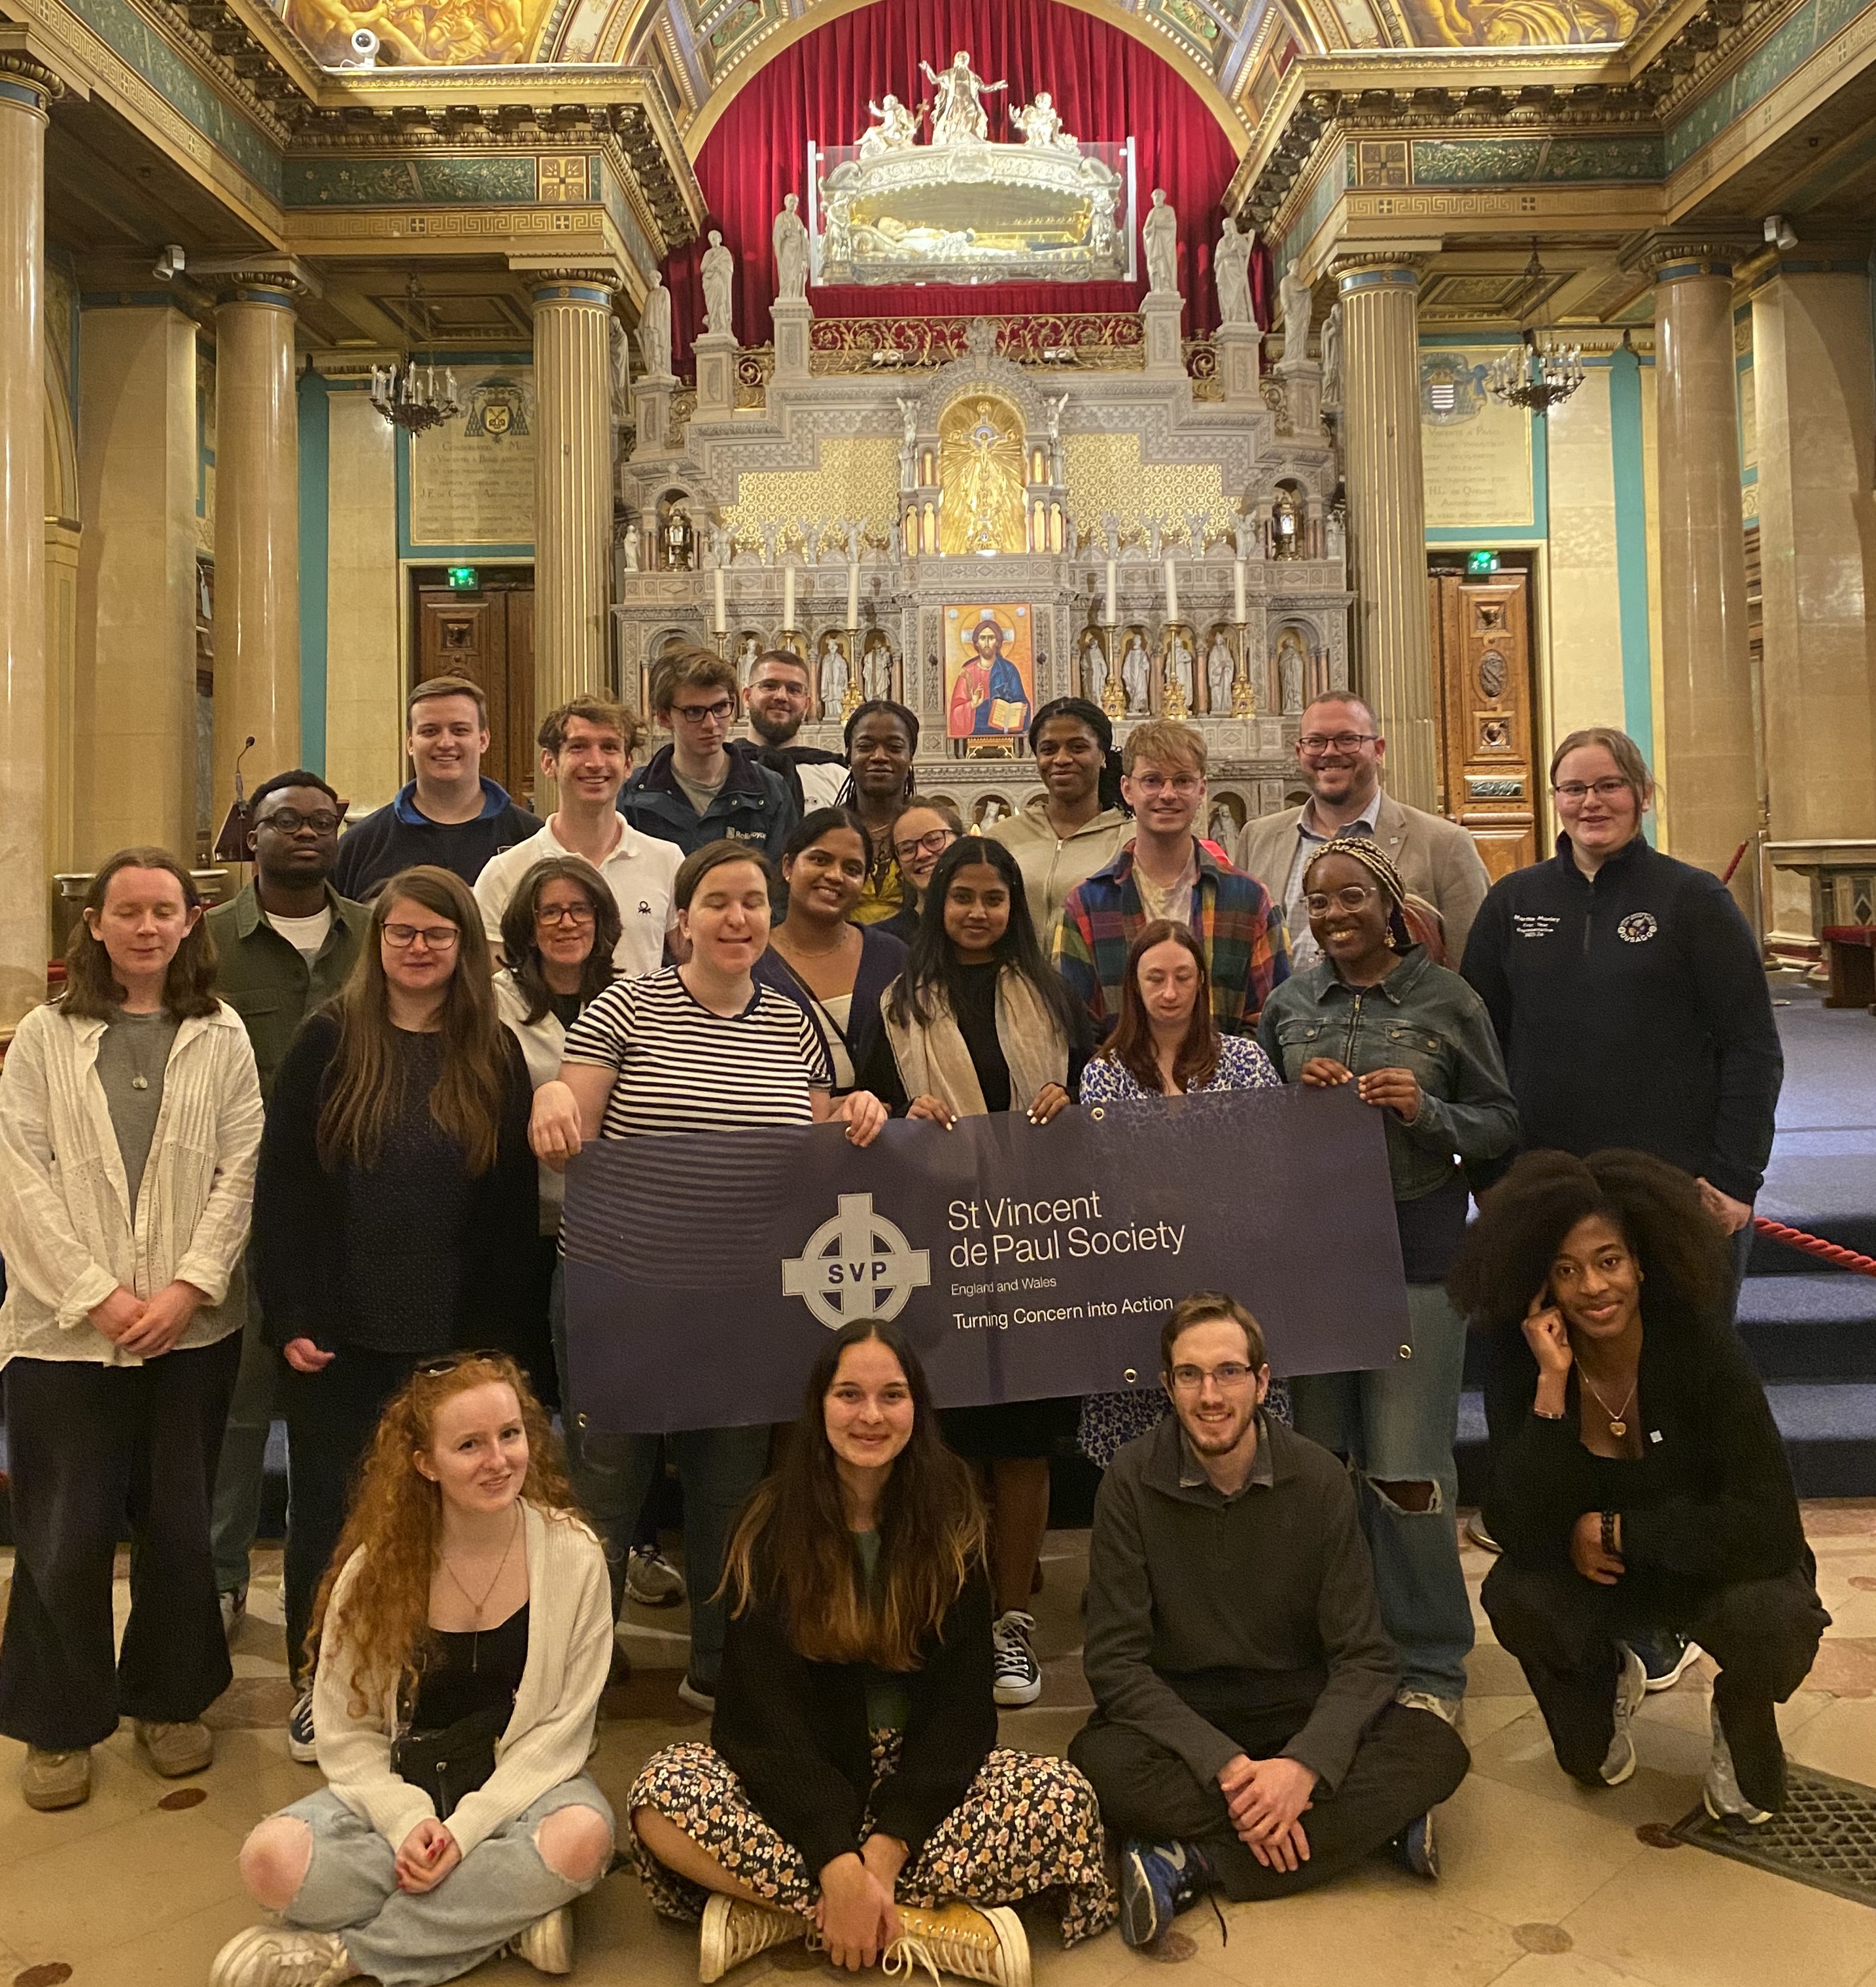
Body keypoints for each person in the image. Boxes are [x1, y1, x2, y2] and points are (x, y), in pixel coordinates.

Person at [627, 1321, 1115, 1985]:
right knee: (662, 1792)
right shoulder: (769, 1525)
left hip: (918, 1783)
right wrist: (833, 1856)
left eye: (891, 1394)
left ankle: (798, 1912)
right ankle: (908, 1923)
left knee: (1066, 1800)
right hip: (804, 1774)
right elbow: (760, 1723)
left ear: (917, 1407)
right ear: (819, 1406)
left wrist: (882, 1853)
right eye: (849, 1393)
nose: (870, 1414)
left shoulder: (953, 1522)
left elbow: (962, 1719)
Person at [527, 841, 886, 1708]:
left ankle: (722, 1671)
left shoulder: (788, 1020)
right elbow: (574, 1109)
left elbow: (809, 1130)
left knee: (731, 1493)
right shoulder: (626, 1006)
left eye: (753, 902)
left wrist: (860, 1109)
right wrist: (546, 1102)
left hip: (736, 1304)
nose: (738, 918)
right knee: (606, 1491)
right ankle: (578, 1676)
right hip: (624, 1292)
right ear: (682, 920)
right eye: (718, 901)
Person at [1070, 1292, 1470, 1946]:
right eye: (1191, 1375)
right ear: (1168, 1386)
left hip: (1296, 1703)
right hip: (1187, 1716)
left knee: (1437, 1748)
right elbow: (1115, 1663)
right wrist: (1231, 1768)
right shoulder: (1129, 1480)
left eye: (1229, 1371)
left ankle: (1194, 1858)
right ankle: (1370, 1828)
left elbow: (1366, 1655)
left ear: (1261, 1381)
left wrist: (1303, 1766)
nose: (1210, 1395)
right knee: (1096, 1760)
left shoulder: (1316, 1477)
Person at [214, 1355, 616, 1987]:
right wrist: (408, 1823)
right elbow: (347, 1738)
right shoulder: (376, 1571)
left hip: (525, 1791)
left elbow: (564, 1731)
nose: (498, 1460)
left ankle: (349, 1957)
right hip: (408, 1789)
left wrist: (467, 1831)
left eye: (510, 1436)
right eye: (469, 1445)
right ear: (426, 1463)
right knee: (271, 1861)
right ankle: (501, 1920)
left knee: (583, 1838)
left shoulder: (574, 1555)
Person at [256, 865, 538, 1764]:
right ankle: (322, 1685)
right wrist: (294, 1308)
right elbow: (288, 1190)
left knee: (442, 1520)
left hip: (452, 1335)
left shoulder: (491, 1052)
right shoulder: (329, 1041)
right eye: (402, 934)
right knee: (335, 1517)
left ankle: (428, 1680)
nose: (419, 949)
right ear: (377, 945)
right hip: (340, 1330)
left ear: (465, 949)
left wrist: (496, 1349)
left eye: (438, 935)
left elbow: (509, 1208)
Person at [0, 849, 264, 1811]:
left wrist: (188, 1287)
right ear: (98, 925)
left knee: (181, 1528)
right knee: (63, 1533)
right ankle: (58, 1720)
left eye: (164, 910)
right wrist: (97, 1294)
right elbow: (18, 1180)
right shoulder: (43, 1035)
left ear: (190, 921)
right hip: (63, 1335)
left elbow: (241, 1170)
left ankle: (170, 1698)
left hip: (189, 1333)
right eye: (129, 911)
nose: (147, 927)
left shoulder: (220, 1032)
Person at [1451, 1150, 1828, 1822]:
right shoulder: (1527, 1362)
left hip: (1709, 1568)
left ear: (1642, 1263)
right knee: (1518, 1596)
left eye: (1609, 1260)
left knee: (1776, 1614)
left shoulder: (1704, 1352)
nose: (1594, 1286)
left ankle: (1740, 1710)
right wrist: (1549, 1388)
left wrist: (1623, 1528)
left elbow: (1771, 1526)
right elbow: (1511, 1523)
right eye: (1567, 1270)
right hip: (1597, 1579)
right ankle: (1603, 1681)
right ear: (1543, 1286)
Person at [1257, 838, 1518, 1719]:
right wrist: (1302, 1101)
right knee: (1324, 1470)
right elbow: (1259, 1121)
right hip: (1318, 1259)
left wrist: (1427, 1109)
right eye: (1317, 902)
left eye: (1349, 899)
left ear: (1391, 903)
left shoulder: (1448, 1001)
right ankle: (1344, 1644)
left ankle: (1429, 1662)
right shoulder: (1291, 1003)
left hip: (1417, 1249)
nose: (1332, 916)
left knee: (1407, 1469)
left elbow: (1498, 1124)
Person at [857, 835, 1092, 1709]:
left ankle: (1012, 1616)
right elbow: (864, 1109)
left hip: (1035, 1232)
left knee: (1024, 1436)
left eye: (994, 898)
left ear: (1014, 906)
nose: (979, 912)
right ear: (937, 902)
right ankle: (946, 1603)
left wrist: (1071, 1102)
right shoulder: (898, 1000)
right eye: (963, 897)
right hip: (935, 1232)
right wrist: (897, 1109)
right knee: (948, 1428)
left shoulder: (1055, 994)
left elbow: (1094, 1091)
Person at [1461, 725, 1782, 1268]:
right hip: (1545, 1182)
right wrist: (1490, 1175)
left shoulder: (1694, 899)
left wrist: (1735, 1180)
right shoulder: (1513, 901)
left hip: (1675, 1183)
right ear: (1557, 800)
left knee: (1681, 1351)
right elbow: (1476, 1048)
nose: (1591, 802)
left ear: (1643, 795)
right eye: (1573, 789)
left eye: (1609, 785)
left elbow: (1751, 1046)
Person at [205, 772, 372, 1642]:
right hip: (234, 1210)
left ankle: (344, 1586)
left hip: (353, 1217)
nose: (304, 832)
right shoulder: (210, 944)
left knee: (337, 1413)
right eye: (283, 819)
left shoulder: (378, 935)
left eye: (321, 819)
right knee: (237, 1409)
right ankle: (222, 1579)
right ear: (251, 832)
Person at [495, 857, 685, 1612]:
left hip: (618, 1236)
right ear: (526, 925)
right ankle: (535, 1553)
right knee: (541, 1402)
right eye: (550, 910)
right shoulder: (497, 1002)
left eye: (580, 908)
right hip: (525, 1223)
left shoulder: (639, 997)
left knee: (611, 1412)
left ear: (605, 921)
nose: (566, 922)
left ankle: (624, 1547)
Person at [1077, 923, 1285, 1471]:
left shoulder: (1246, 1062)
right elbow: (1106, 1187)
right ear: (1134, 988)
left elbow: (1267, 1172)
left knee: (1235, 1446)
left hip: (1235, 1281)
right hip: (1139, 1287)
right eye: (1156, 978)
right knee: (1140, 1467)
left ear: (1201, 984)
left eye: (1183, 977)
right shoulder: (1104, 1073)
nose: (1170, 993)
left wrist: (1191, 1201)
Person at [1056, 719, 1290, 1039]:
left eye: (1182, 781)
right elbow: (1077, 1026)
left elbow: (1271, 1017)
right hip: (1121, 1085)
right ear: (1127, 789)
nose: (1168, 794)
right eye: (1151, 781)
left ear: (1202, 789)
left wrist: (1214, 1073)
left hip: (1226, 1087)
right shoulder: (1087, 904)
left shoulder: (1248, 899)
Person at [1235, 691, 1491, 970]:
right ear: (1300, 752)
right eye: (1316, 741)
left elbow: (1473, 965)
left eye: (1348, 739)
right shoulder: (1257, 838)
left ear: (1378, 750)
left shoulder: (1445, 845)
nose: (1330, 752)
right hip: (1281, 1013)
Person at [475, 697, 680, 978]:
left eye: (609, 748)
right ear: (549, 763)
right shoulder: (505, 872)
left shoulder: (666, 861)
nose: (596, 763)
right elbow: (494, 988)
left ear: (629, 764)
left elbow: (692, 965)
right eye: (578, 747)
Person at [332, 677, 542, 899]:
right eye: (430, 731)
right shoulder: (359, 846)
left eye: (460, 730)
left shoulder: (530, 837)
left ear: (483, 739)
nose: (445, 743)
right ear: (410, 743)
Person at [754, 809, 907, 1094]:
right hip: (788, 1133)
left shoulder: (893, 958)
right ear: (788, 866)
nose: (835, 876)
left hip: (885, 1131)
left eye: (852, 869)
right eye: (820, 860)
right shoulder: (751, 962)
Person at [621, 649, 797, 862]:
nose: (711, 724)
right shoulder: (632, 796)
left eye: (720, 707)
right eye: (694, 712)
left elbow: (781, 881)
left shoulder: (770, 790)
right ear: (664, 717)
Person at [988, 698, 1130, 939]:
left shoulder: (1131, 839)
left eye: (1078, 748)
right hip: (1017, 976)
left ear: (1103, 756)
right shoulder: (1002, 838)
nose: (1061, 759)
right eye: (1048, 749)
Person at [835, 700, 920, 926]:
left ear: (910, 756)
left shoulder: (929, 831)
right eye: (865, 746)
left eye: (894, 747)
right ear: (849, 756)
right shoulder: (829, 831)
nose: (879, 756)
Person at [742, 648, 847, 813]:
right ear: (747, 697)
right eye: (769, 686)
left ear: (806, 705)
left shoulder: (837, 778)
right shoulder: (721, 769)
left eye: (794, 689)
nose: (782, 696)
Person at [875, 795, 962, 946]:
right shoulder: (884, 943)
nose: (922, 854)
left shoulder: (998, 927)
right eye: (907, 849)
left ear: (963, 840)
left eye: (934, 840)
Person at [947, 619, 1030, 742]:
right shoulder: (967, 672)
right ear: (976, 643)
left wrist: (1022, 709)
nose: (986, 643)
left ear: (998, 642)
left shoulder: (1008, 669)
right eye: (982, 638)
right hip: (974, 732)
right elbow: (955, 711)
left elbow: (1020, 700)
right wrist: (972, 705)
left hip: (1003, 732)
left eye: (991, 638)